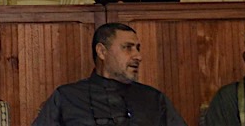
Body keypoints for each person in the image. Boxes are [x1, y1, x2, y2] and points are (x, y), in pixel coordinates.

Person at [32, 22, 186, 126]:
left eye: (137, 48)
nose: (138, 56)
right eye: (127, 47)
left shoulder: (153, 99)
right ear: (102, 52)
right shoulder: (67, 97)